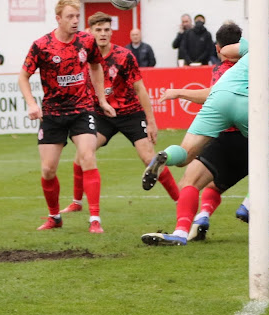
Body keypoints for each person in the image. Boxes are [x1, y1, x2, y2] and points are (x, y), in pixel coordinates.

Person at [140, 36, 269, 245]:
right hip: (249, 108)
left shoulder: (266, 45)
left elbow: (226, 51)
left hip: (220, 96)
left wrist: (245, 56)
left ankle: (165, 157)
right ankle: (250, 203)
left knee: (185, 154)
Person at [61, 12, 180, 213]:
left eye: (107, 30)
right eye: (98, 30)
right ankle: (77, 203)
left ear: (111, 32)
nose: (103, 33)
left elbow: (140, 89)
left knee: (149, 158)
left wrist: (151, 121)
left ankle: (180, 200)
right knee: (82, 154)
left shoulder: (124, 56)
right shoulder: (83, 57)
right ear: (90, 32)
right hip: (102, 115)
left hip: (130, 113)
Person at [19, 0, 116, 233]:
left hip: (82, 109)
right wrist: (31, 104)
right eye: (70, 16)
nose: (75, 21)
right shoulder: (42, 45)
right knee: (48, 170)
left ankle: (95, 219)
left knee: (87, 157)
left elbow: (96, 66)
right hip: (52, 113)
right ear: (58, 19)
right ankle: (54, 217)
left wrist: (101, 99)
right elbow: (23, 76)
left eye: (77, 16)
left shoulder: (86, 41)